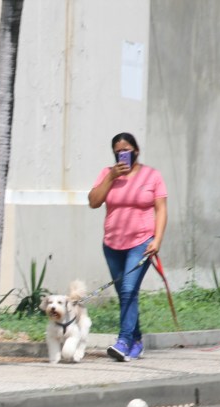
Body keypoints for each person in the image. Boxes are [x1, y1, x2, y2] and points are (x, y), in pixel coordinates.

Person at [87, 132, 167, 362]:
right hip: (112, 244)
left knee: (128, 290)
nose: (123, 154)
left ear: (136, 150)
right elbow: (93, 202)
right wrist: (111, 177)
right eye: (118, 151)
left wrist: (157, 239)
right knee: (125, 295)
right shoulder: (107, 174)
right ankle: (137, 341)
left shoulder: (152, 176)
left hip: (141, 243)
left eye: (127, 150)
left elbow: (161, 208)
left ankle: (123, 342)